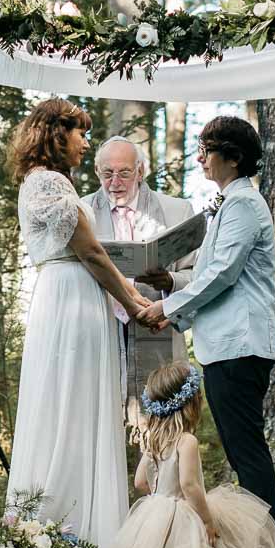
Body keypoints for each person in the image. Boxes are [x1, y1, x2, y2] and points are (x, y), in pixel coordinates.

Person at [5, 99, 163, 548]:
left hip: (68, 294)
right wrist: (133, 305)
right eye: (80, 133)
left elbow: (94, 255)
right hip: (71, 300)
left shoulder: (44, 181)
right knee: (72, 402)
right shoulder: (49, 182)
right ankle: (70, 527)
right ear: (57, 134)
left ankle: (61, 529)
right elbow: (91, 254)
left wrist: (135, 297)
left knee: (68, 401)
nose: (85, 142)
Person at [66, 361, 275, 548]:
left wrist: (159, 498)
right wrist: (207, 520)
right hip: (184, 512)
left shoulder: (152, 439)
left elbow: (140, 482)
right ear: (190, 404)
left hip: (155, 513)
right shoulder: (187, 441)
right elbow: (190, 485)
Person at [138, 115, 275, 526]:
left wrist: (166, 309)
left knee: (246, 452)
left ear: (233, 158)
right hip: (227, 345)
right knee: (241, 451)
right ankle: (265, 543)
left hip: (239, 344)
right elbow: (209, 272)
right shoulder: (231, 204)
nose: (200, 158)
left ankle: (270, 546)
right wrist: (170, 287)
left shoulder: (243, 205)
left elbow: (223, 274)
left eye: (207, 150)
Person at [81, 137, 197, 391]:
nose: (115, 183)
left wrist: (169, 281)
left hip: (158, 325)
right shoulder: (81, 212)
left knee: (161, 403)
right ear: (97, 171)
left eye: (124, 173)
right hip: (100, 326)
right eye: (107, 174)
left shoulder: (177, 211)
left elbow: (198, 277)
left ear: (140, 171)